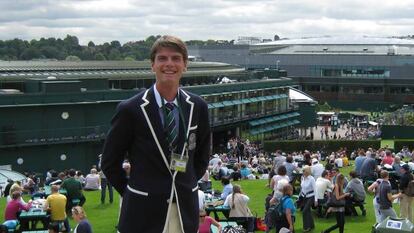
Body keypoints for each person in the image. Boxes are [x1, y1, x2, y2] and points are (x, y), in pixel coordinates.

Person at [101, 35, 211, 233]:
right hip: (142, 213)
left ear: (185, 65)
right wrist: (133, 192)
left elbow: (202, 156)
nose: (169, 64)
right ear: (152, 65)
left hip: (184, 211)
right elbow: (109, 162)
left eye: (176, 58)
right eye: (162, 58)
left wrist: (185, 183)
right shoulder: (130, 109)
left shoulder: (198, 106)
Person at [299, 165, 316, 232]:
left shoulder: (312, 179)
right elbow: (302, 188)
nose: (302, 172)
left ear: (307, 171)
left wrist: (316, 200)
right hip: (304, 197)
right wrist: (300, 196)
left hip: (311, 196)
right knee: (308, 211)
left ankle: (306, 227)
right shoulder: (302, 178)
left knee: (304, 211)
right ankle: (312, 225)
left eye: (303, 171)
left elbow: (315, 190)